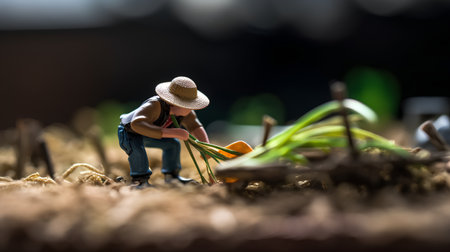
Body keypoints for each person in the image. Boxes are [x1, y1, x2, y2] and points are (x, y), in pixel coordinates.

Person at [118, 76, 210, 188]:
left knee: (173, 144)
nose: (192, 109)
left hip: (150, 135)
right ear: (177, 103)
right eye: (189, 106)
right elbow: (137, 124)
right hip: (130, 132)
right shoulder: (154, 106)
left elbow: (195, 126)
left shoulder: (185, 113)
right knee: (137, 151)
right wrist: (173, 133)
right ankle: (140, 180)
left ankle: (172, 176)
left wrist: (206, 147)